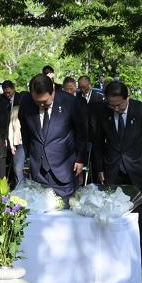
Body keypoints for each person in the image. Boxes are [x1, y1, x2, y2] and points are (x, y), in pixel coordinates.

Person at [93, 81, 142, 257]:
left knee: (139, 213)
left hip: (138, 169)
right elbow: (98, 143)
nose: (115, 109)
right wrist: (99, 168)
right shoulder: (102, 111)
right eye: (111, 105)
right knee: (111, 211)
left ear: (127, 98)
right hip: (112, 168)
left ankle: (138, 254)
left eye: (119, 105)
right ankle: (114, 253)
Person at [19, 74, 87, 203]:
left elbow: (81, 132)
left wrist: (80, 158)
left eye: (45, 101)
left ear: (53, 90)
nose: (41, 105)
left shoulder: (70, 102)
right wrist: (29, 155)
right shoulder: (26, 103)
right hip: (38, 169)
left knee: (66, 211)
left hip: (64, 167)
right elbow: (25, 131)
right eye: (37, 102)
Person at [1, 80, 24, 186]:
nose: (7, 95)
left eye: (9, 92)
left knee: (18, 165)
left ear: (13, 89)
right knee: (10, 162)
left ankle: (18, 184)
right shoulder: (0, 100)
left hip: (20, 136)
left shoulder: (22, 98)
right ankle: (9, 183)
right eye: (5, 93)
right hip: (8, 134)